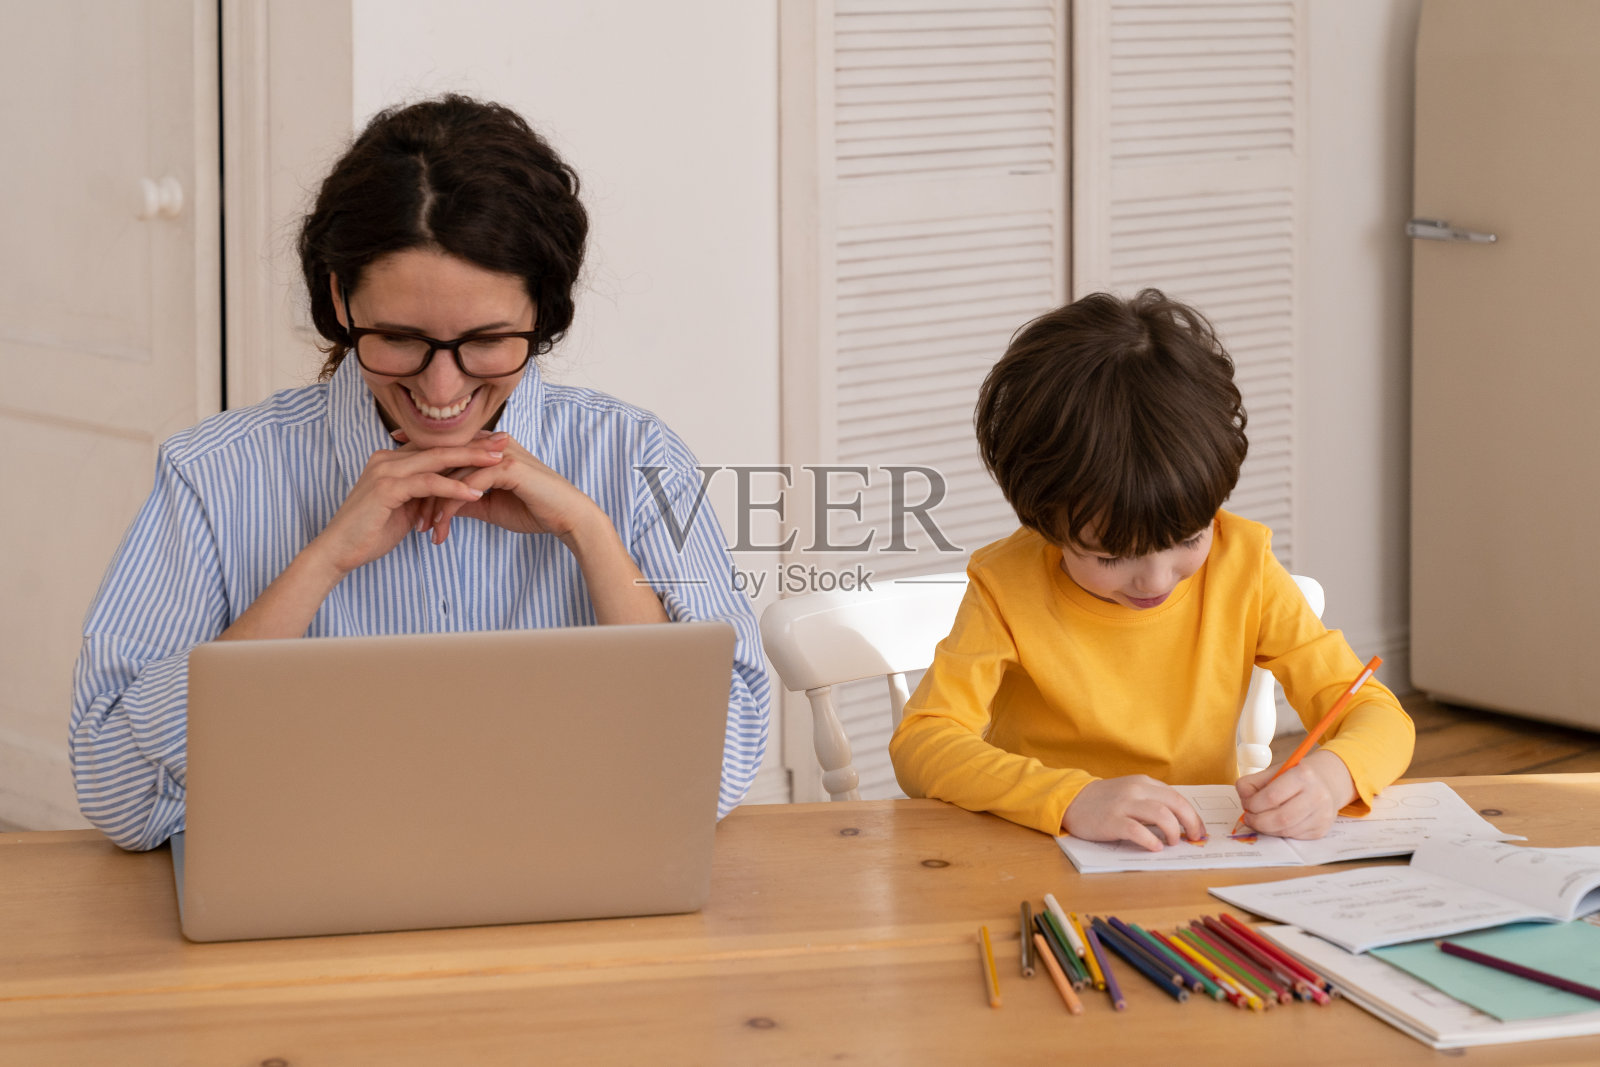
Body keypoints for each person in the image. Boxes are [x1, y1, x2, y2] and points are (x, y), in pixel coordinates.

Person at [71, 95, 770, 851]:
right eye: (400, 339)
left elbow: (717, 770)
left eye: (488, 341)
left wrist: (591, 532)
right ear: (340, 298)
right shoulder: (214, 476)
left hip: (571, 915)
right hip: (310, 932)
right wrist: (320, 562)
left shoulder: (635, 457)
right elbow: (118, 790)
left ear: (544, 307)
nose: (442, 392)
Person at [888, 289, 1413, 850]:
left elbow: (1378, 716)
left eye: (1188, 538)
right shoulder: (1007, 586)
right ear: (1043, 518)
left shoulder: (1244, 567)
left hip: (1195, 859)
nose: (1156, 582)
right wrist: (1070, 799)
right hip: (1042, 855)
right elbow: (923, 742)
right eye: (1111, 557)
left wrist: (1330, 778)